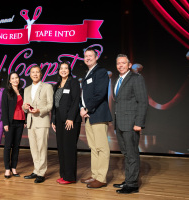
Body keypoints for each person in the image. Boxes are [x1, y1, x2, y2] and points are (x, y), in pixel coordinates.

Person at [113, 54, 148, 194]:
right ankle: (128, 180)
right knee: (126, 153)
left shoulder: (136, 78)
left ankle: (132, 184)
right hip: (120, 123)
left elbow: (143, 102)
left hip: (131, 124)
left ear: (129, 65)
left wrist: (139, 123)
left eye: (123, 63)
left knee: (132, 154)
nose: (120, 65)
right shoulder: (119, 79)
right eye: (118, 63)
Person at [80, 48, 112, 188]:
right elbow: (84, 96)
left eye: (90, 56)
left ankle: (102, 178)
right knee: (93, 147)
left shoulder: (101, 72)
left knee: (102, 147)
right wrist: (82, 107)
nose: (87, 58)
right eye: (85, 56)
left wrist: (87, 108)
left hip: (98, 114)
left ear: (96, 57)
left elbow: (100, 94)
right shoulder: (88, 73)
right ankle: (95, 175)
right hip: (89, 116)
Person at [51, 61, 82, 184]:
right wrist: (53, 120)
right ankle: (63, 175)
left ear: (69, 70)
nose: (63, 70)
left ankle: (70, 177)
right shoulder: (57, 85)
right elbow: (55, 105)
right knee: (62, 148)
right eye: (61, 68)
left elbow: (76, 101)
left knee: (69, 148)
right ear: (58, 71)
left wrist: (70, 118)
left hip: (70, 120)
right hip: (59, 119)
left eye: (66, 68)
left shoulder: (73, 82)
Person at [22, 65, 53, 183]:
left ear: (41, 74)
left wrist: (40, 110)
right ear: (30, 74)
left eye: (37, 72)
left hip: (41, 121)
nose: (35, 74)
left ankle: (42, 172)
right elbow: (24, 106)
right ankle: (36, 170)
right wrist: (24, 107)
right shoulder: (26, 89)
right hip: (30, 122)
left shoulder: (47, 87)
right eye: (33, 72)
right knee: (34, 148)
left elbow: (50, 105)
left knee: (42, 147)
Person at [1, 72, 26, 178]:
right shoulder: (6, 91)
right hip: (10, 123)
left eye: (17, 78)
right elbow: (4, 108)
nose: (15, 80)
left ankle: (14, 167)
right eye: (13, 78)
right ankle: (7, 169)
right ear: (10, 81)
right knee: (8, 146)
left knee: (16, 146)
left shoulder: (23, 91)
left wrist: (25, 121)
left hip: (20, 122)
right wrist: (5, 123)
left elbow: (25, 107)